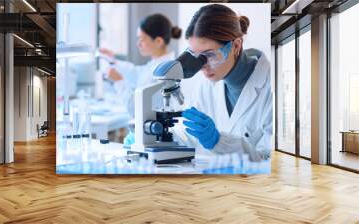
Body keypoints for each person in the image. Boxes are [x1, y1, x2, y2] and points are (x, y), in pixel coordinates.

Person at [171, 4, 273, 162]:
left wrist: (218, 141)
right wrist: (158, 137)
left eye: (209, 55)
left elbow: (269, 161)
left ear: (236, 46)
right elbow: (191, 137)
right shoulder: (206, 85)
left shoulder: (271, 86)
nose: (202, 66)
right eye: (196, 57)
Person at [99, 14, 182, 117]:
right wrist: (113, 60)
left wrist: (119, 82)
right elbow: (136, 73)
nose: (138, 44)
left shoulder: (164, 72)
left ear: (158, 41)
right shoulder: (157, 63)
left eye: (142, 39)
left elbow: (137, 110)